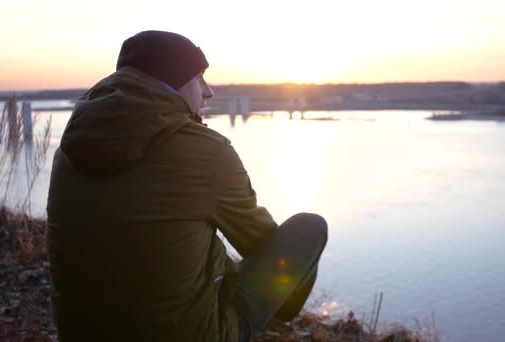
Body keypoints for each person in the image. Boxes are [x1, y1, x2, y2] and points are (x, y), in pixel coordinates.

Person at [46, 30, 328, 342]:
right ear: (174, 81)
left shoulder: (69, 149)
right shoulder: (209, 152)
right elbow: (260, 243)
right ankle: (286, 313)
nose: (209, 92)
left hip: (80, 332)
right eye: (199, 78)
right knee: (309, 228)